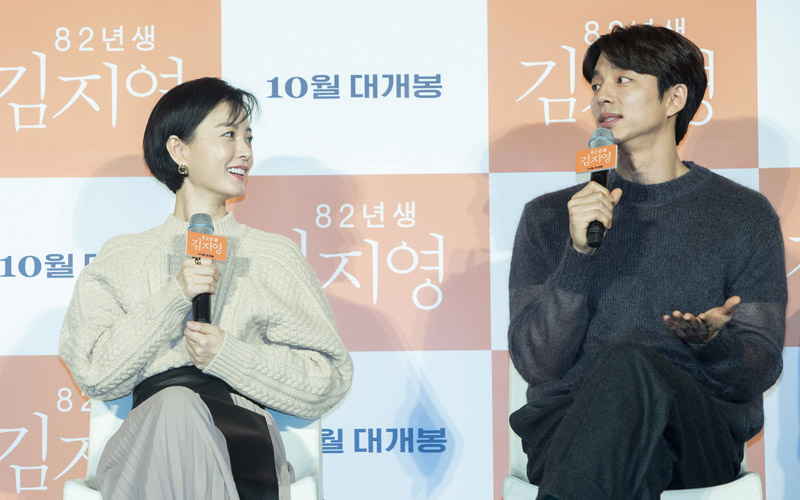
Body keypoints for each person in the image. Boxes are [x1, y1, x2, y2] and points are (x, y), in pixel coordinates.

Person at [507, 25, 786, 500]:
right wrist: (578, 255)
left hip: (694, 433)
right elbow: (538, 363)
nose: (602, 96)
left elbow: (759, 369)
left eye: (623, 80)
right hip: (570, 429)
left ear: (675, 98)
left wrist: (713, 344)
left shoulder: (743, 215)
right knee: (628, 423)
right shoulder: (551, 217)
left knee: (629, 364)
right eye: (596, 83)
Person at [59, 77, 353, 500]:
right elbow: (94, 373)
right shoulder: (121, 257)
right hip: (145, 443)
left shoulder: (273, 256)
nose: (245, 152)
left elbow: (328, 379)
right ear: (179, 150)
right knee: (174, 407)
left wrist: (228, 355)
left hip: (240, 438)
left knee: (180, 410)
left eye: (248, 138)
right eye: (229, 135)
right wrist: (174, 297)